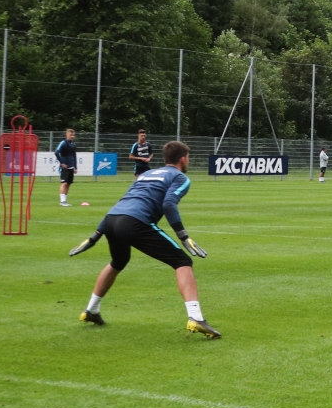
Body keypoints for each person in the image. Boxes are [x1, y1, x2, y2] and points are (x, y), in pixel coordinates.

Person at [66, 140, 220, 338]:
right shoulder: (180, 177)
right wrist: (183, 236)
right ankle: (196, 318)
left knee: (118, 261)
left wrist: (95, 235)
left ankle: (91, 311)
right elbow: (169, 205)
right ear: (183, 159)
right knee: (182, 261)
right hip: (134, 222)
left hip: (112, 220)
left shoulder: (146, 174)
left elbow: (125, 201)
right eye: (188, 158)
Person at [55, 128, 79, 206]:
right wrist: (61, 163)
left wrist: (75, 167)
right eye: (70, 134)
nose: (72, 136)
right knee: (64, 183)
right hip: (64, 167)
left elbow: (74, 156)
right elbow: (56, 152)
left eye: (73, 135)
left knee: (68, 183)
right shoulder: (63, 143)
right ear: (66, 135)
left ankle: (64, 201)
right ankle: (62, 201)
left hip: (71, 167)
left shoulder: (73, 144)